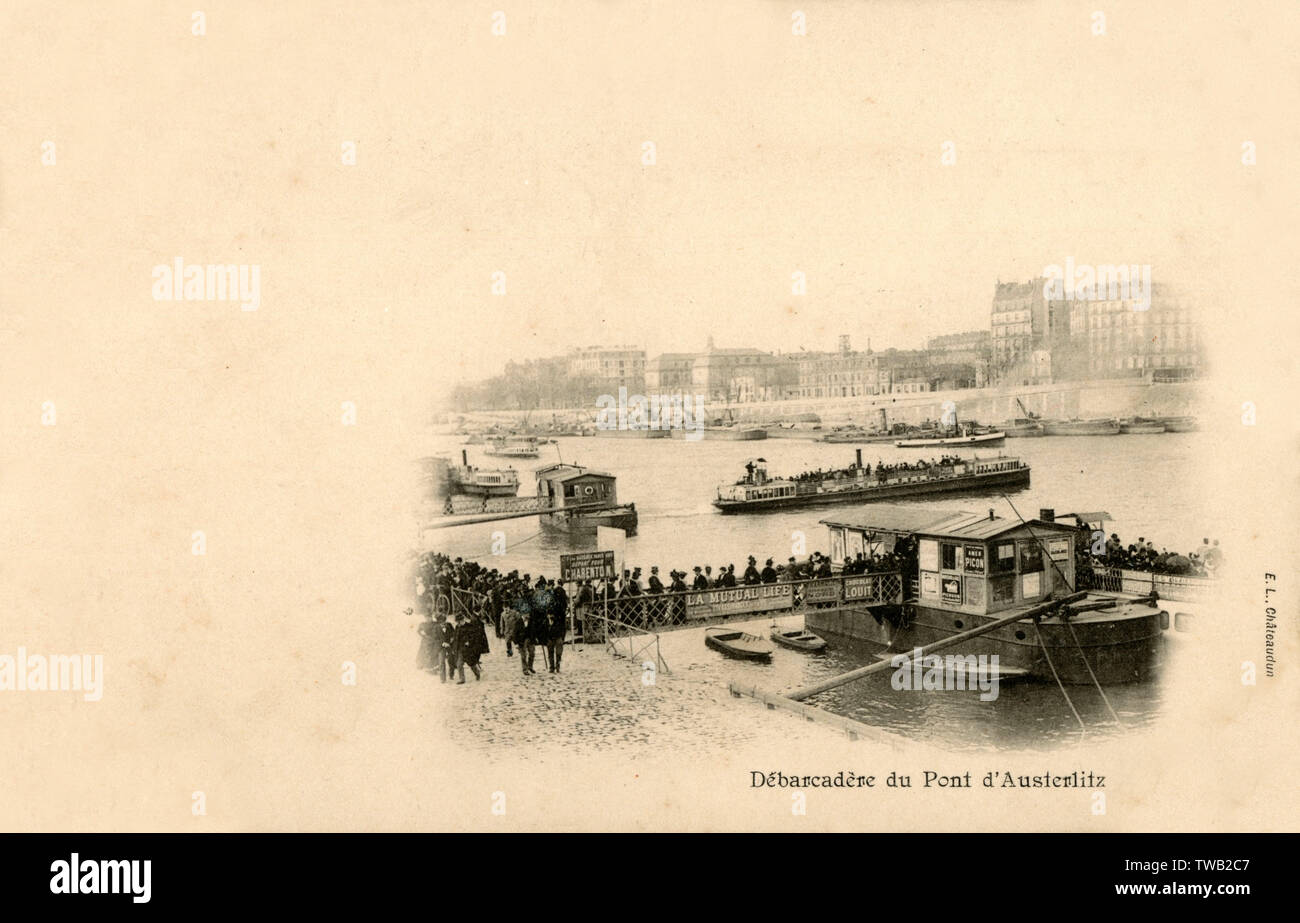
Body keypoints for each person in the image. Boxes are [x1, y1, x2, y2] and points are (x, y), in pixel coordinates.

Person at [511, 610, 536, 675]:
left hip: (530, 639)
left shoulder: (531, 621)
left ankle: (530, 667)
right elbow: (514, 633)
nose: (528, 616)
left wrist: (535, 638)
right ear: (523, 614)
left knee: (532, 653)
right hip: (522, 641)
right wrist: (516, 643)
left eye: (529, 614)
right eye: (527, 614)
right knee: (523, 656)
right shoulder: (518, 622)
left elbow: (534, 630)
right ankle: (525, 669)